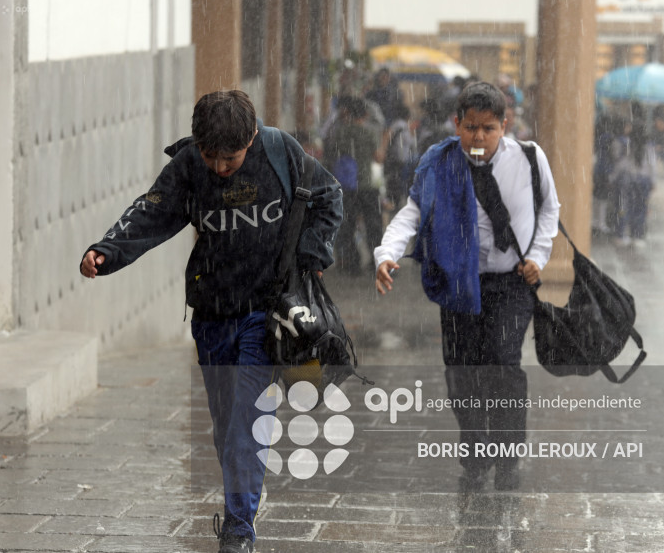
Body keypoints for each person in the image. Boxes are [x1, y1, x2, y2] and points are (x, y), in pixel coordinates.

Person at [79, 90, 343, 553]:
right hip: (212, 313)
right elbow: (153, 211)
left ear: (253, 137)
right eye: (211, 156)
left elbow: (328, 197)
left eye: (231, 158)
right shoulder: (188, 166)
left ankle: (239, 530)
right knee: (226, 424)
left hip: (267, 314)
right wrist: (107, 250)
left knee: (248, 417)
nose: (220, 167)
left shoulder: (282, 152)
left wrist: (311, 255)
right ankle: (239, 500)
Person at [374, 82, 560, 492]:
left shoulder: (529, 158)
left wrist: (538, 256)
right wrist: (386, 253)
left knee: (502, 362)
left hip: (512, 282)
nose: (479, 137)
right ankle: (476, 453)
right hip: (459, 283)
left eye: (489, 129)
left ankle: (508, 456)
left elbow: (550, 207)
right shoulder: (439, 162)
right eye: (471, 127)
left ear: (504, 126)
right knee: (461, 372)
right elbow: (413, 212)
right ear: (457, 124)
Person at [323, 95, 382, 275]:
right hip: (367, 185)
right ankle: (376, 261)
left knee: (347, 224)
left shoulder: (339, 131)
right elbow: (378, 157)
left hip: (346, 184)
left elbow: (331, 154)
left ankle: (350, 263)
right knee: (373, 224)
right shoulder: (370, 132)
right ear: (365, 113)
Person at [610, 115, 655, 248]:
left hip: (630, 180)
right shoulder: (649, 146)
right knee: (641, 208)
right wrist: (653, 181)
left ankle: (622, 235)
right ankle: (637, 236)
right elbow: (652, 165)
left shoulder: (629, 144)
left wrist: (613, 176)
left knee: (625, 206)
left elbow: (623, 163)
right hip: (644, 181)